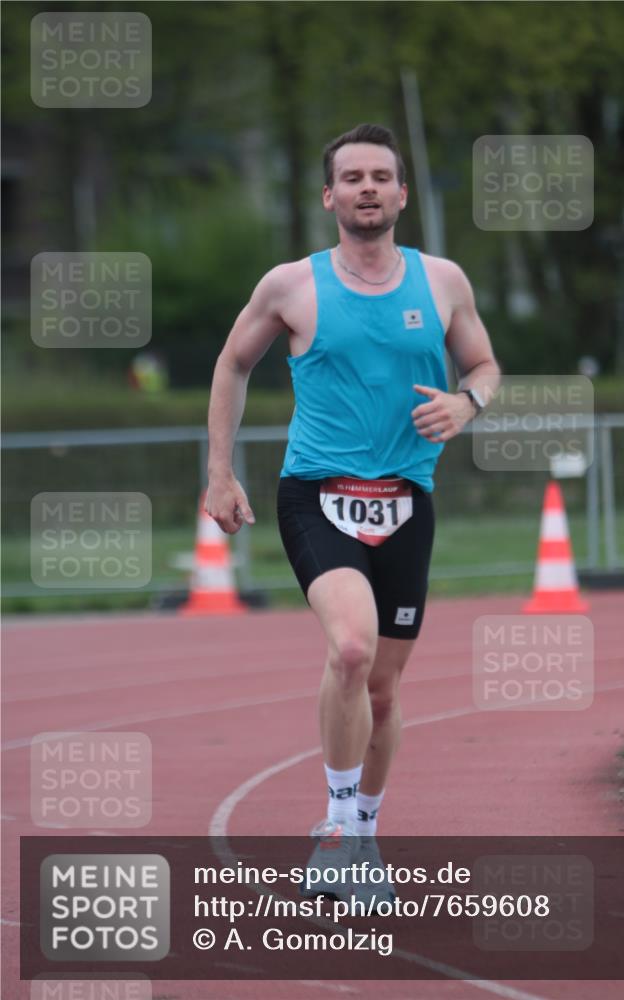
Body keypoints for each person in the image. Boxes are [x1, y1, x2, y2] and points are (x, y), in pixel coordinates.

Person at [205, 123, 500, 904]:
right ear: (329, 196)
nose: (367, 188)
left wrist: (466, 403)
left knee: (382, 693)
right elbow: (233, 363)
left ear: (401, 194)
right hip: (316, 496)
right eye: (352, 177)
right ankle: (336, 830)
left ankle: (363, 832)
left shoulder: (441, 281)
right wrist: (218, 471)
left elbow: (484, 363)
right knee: (348, 649)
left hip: (408, 502)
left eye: (381, 176)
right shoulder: (290, 286)